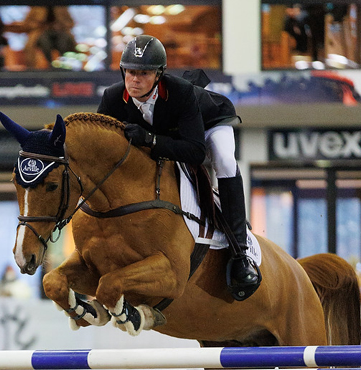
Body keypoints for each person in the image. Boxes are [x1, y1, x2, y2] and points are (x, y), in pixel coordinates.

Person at [97, 35, 261, 301]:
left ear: (159, 75)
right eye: (130, 72)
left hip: (208, 123)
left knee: (224, 160)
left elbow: (195, 151)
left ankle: (241, 253)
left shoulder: (181, 92)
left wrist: (150, 140)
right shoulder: (112, 98)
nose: (135, 80)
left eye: (143, 73)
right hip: (175, 135)